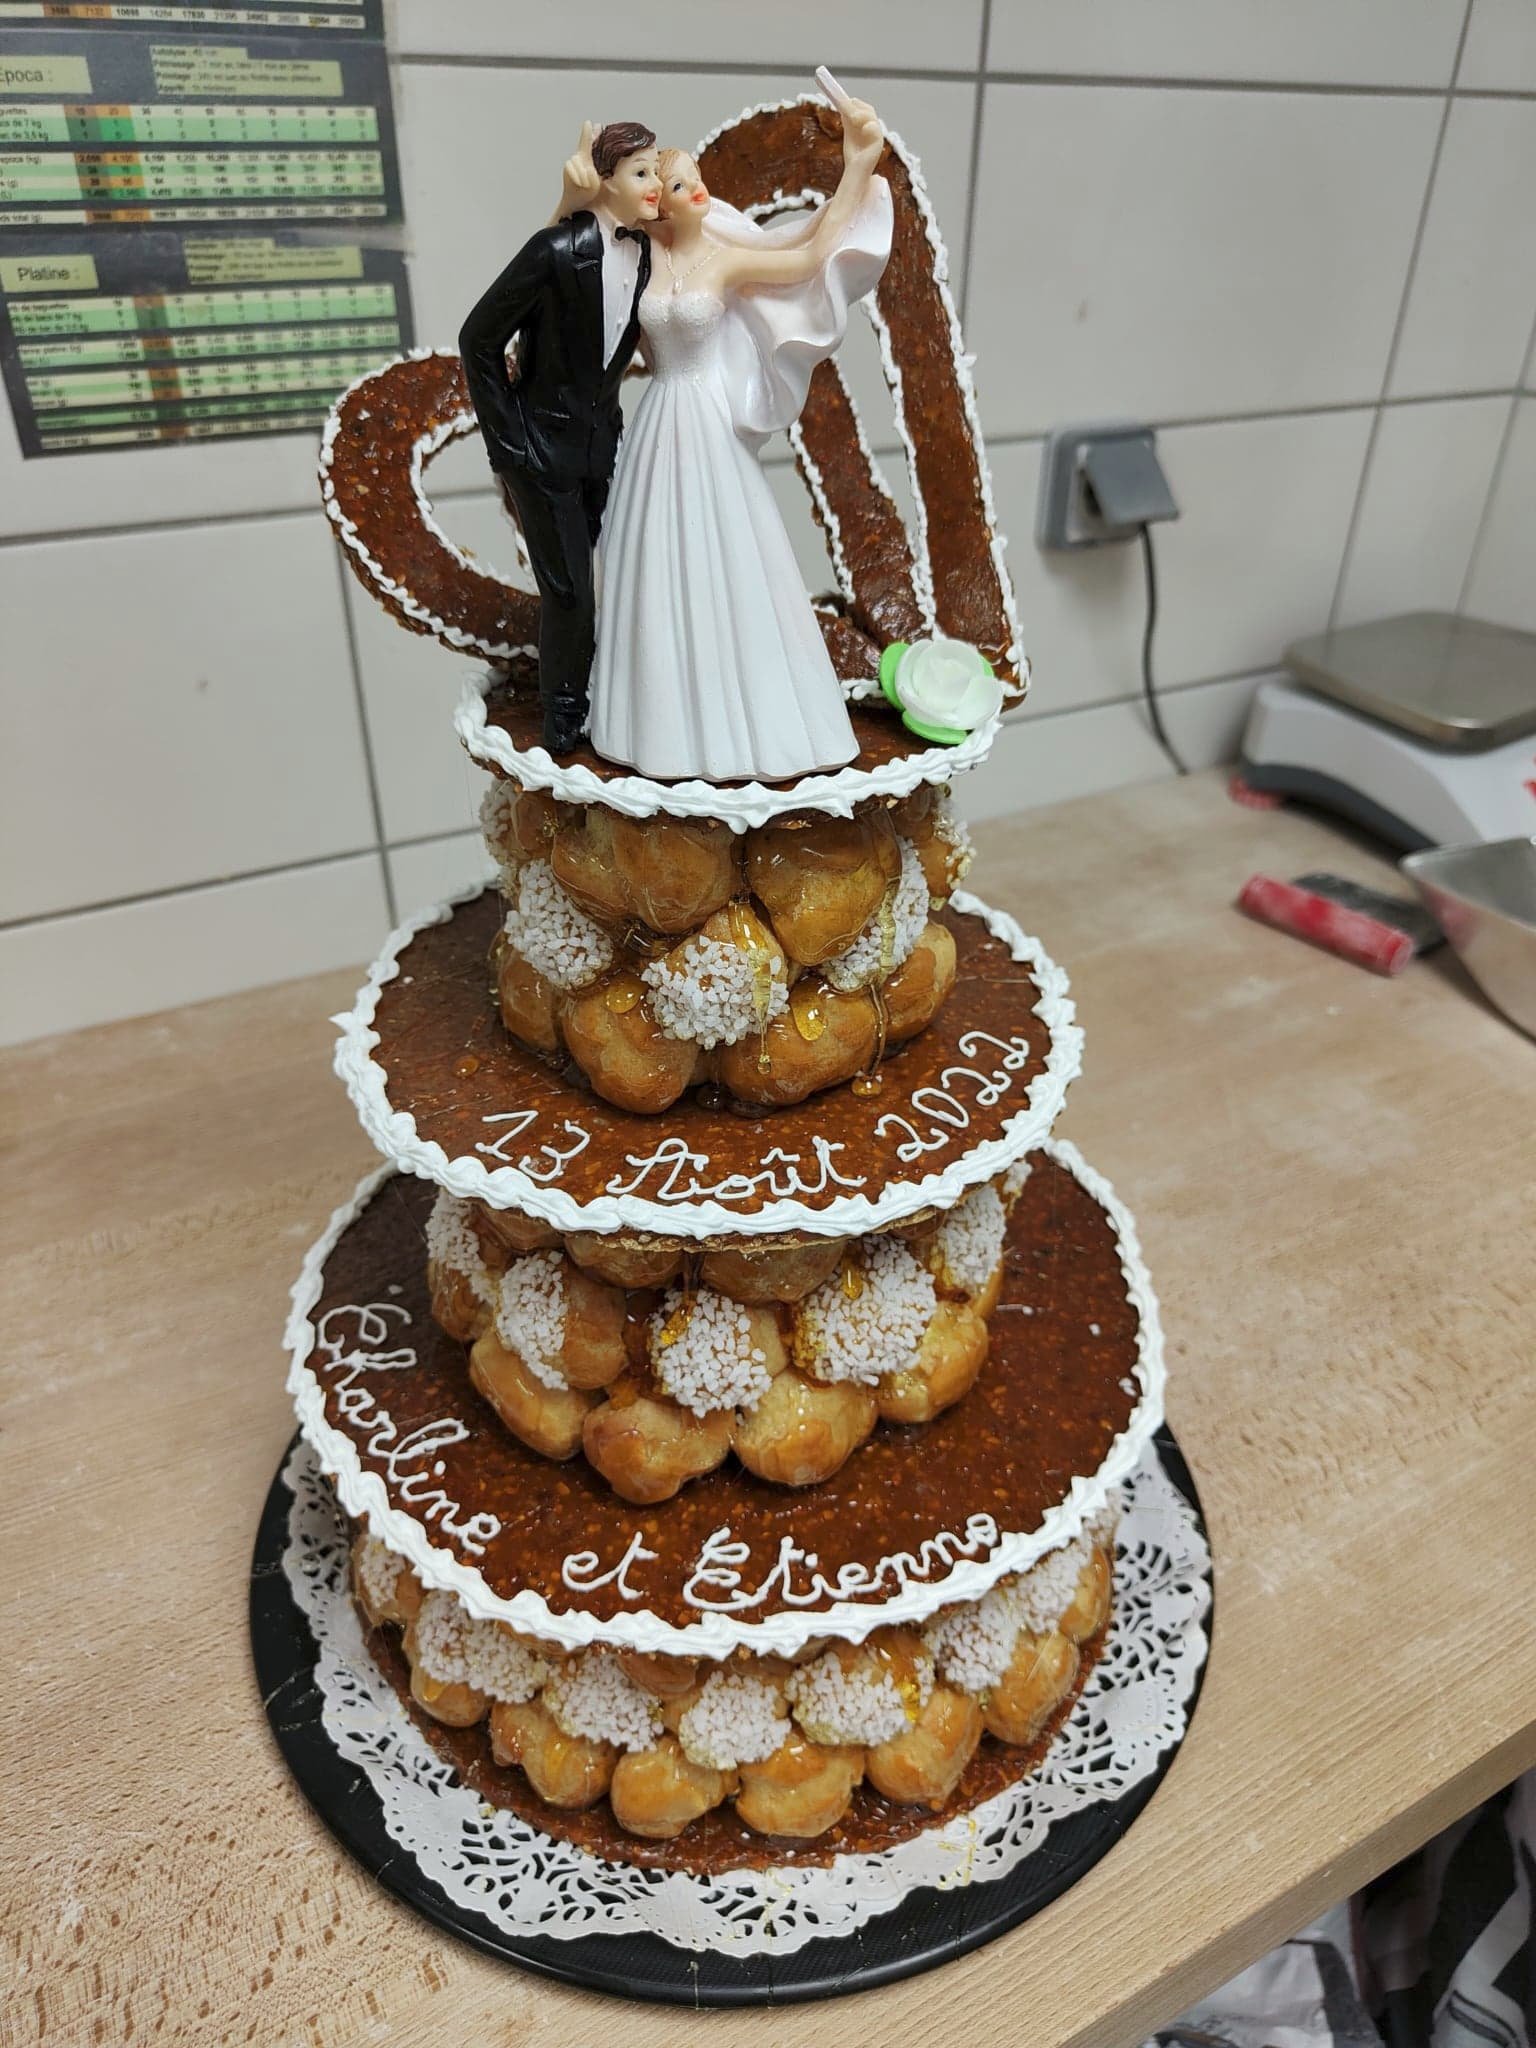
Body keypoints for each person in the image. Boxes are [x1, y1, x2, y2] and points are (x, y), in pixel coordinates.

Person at [585, 91, 891, 784]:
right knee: (656, 565)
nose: (698, 190)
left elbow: (812, 250)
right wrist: (583, 187)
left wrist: (856, 164)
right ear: (656, 202)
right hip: (659, 424)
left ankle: (749, 726)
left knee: (727, 561)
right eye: (679, 184)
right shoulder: (641, 256)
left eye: (696, 178)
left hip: (709, 423)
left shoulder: (724, 261)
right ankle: (659, 726)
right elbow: (584, 238)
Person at [458, 120, 660, 753]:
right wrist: (510, 446)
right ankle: (563, 720)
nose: (654, 184)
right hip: (541, 450)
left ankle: (610, 697)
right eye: (641, 172)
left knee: (618, 575)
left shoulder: (646, 254)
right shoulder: (556, 249)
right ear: (606, 181)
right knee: (569, 589)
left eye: (656, 171)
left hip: (603, 447)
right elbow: (478, 339)